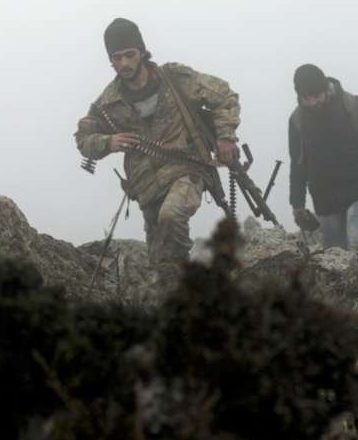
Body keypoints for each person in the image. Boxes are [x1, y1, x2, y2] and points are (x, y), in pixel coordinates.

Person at [75, 18, 240, 281]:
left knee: (171, 216)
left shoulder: (175, 79)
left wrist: (225, 138)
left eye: (129, 55)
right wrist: (108, 142)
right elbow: (83, 139)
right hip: (147, 187)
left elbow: (224, 96)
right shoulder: (108, 103)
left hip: (187, 169)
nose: (124, 64)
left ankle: (190, 283)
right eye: (116, 58)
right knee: (161, 263)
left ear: (141, 50)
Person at [288, 64, 358, 251]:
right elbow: (298, 165)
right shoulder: (297, 121)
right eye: (307, 98)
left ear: (325, 89)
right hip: (325, 199)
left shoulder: (354, 106)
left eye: (317, 96)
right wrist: (297, 204)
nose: (313, 102)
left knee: (356, 243)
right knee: (334, 255)